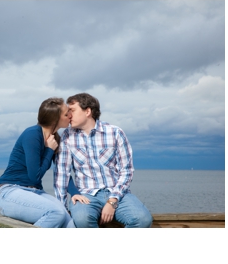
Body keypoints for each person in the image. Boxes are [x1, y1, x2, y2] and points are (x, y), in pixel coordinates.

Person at [53, 93, 153, 228]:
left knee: (143, 219)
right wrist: (62, 209)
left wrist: (112, 201)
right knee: (82, 219)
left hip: (117, 193)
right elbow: (62, 174)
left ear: (88, 111)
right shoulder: (67, 136)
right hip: (85, 195)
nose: (69, 115)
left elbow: (127, 171)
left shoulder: (115, 133)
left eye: (72, 110)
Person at [0, 97, 75, 228]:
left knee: (70, 223)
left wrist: (76, 193)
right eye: (66, 114)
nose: (70, 116)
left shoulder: (55, 139)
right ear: (56, 118)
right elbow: (34, 176)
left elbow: (63, 172)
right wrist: (49, 150)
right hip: (10, 192)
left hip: (35, 192)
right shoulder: (32, 134)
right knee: (56, 213)